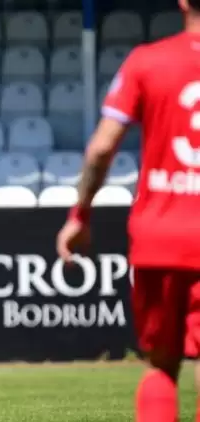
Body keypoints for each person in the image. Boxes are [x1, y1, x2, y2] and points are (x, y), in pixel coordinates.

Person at [56, 1, 200, 420]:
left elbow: (101, 148)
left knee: (160, 365)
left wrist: (79, 215)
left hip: (160, 238)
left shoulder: (147, 61)